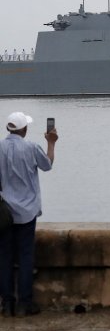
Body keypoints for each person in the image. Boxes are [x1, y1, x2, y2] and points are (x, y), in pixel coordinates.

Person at [0, 112, 57, 317]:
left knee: (4, 257)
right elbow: (47, 165)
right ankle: (25, 303)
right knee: (25, 257)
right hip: (27, 211)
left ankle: (7, 303)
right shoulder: (31, 147)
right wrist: (51, 143)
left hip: (4, 212)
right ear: (24, 129)